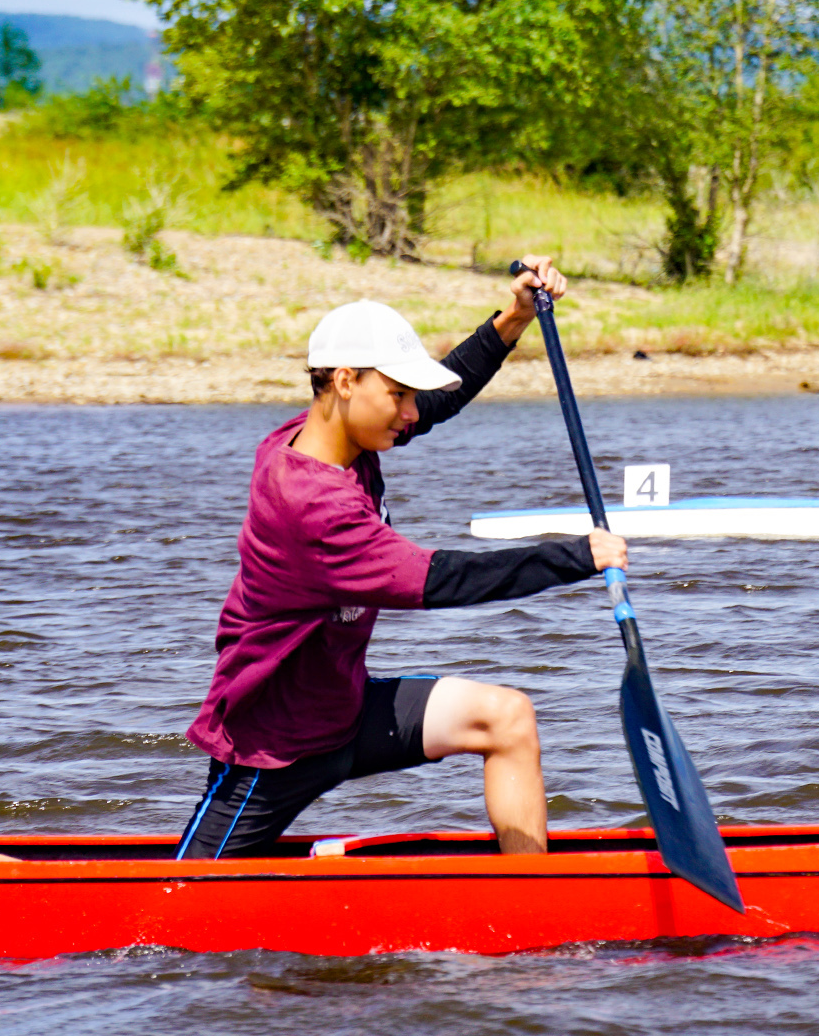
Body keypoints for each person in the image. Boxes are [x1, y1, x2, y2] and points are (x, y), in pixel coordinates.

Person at [177, 257, 625, 859]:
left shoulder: (336, 435)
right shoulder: (310, 504)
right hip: (272, 743)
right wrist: (576, 557)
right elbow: (444, 581)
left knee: (507, 718)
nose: (411, 411)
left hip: (347, 709)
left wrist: (512, 320)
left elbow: (439, 402)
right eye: (398, 394)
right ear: (343, 381)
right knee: (177, 906)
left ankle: (532, 901)